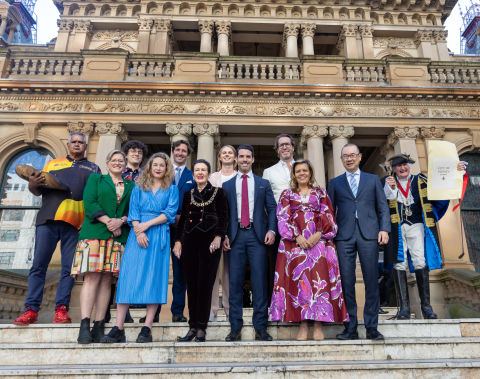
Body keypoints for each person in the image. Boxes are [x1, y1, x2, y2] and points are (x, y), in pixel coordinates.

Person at [14, 132, 101, 325]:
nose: (77, 145)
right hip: (48, 219)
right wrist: (32, 185)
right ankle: (31, 310)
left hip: (75, 224)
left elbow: (94, 197)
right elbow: (38, 189)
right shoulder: (53, 164)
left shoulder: (93, 168)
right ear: (69, 145)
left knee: (69, 269)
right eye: (74, 142)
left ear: (85, 146)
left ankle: (61, 310)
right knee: (38, 266)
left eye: (81, 142)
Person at [101, 153, 178, 343]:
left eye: (163, 165)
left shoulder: (172, 189)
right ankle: (118, 327)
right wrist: (138, 229)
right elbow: (133, 211)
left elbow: (169, 213)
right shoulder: (138, 188)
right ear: (149, 167)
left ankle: (147, 327)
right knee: (128, 276)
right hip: (138, 235)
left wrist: (146, 225)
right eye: (155, 165)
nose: (159, 168)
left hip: (158, 234)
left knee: (155, 278)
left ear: (167, 169)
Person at [269, 160, 349, 340]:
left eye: (305, 170)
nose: (301, 174)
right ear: (294, 174)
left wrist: (319, 234)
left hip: (319, 243)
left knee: (319, 282)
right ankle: (303, 324)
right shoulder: (286, 194)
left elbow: (328, 214)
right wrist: (297, 236)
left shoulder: (321, 193)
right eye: (298, 171)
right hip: (294, 244)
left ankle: (319, 324)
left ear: (310, 173)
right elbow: (282, 217)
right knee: (300, 283)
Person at [383, 153, 467, 320]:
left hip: (416, 225)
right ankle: (404, 309)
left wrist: (458, 172)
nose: (402, 168)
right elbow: (381, 203)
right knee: (399, 264)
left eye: (404, 164)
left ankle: (427, 308)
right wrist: (387, 187)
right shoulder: (387, 183)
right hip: (397, 228)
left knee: (420, 260)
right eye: (398, 165)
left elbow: (442, 186)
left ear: (409, 166)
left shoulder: (421, 180)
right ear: (393, 168)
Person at [327, 143, 390, 340]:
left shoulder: (372, 180)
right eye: (345, 156)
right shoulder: (335, 183)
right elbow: (329, 212)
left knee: (372, 280)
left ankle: (372, 327)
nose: (349, 159)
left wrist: (384, 229)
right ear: (341, 159)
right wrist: (330, 237)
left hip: (369, 234)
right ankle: (350, 327)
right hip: (343, 236)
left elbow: (382, 207)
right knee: (346, 281)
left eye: (353, 155)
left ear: (360, 157)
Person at [72, 150, 134, 344]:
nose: (117, 163)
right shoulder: (95, 180)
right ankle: (84, 324)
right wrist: (109, 221)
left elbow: (132, 210)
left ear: (125, 164)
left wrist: (120, 221)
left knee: (108, 280)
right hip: (95, 235)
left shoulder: (131, 185)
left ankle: (99, 325)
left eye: (121, 161)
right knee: (92, 277)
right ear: (107, 163)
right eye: (114, 160)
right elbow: (89, 203)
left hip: (117, 237)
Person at [222, 144, 277, 342]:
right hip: (235, 237)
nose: (244, 160)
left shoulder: (263, 183)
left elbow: (272, 209)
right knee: (235, 282)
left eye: (248, 157)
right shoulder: (227, 185)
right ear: (236, 159)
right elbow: (224, 214)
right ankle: (235, 327)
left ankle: (261, 327)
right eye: (241, 157)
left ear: (253, 160)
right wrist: (224, 234)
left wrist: (271, 230)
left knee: (260, 282)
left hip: (258, 236)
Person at [174, 159, 229, 342]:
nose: (199, 173)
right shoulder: (188, 195)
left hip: (210, 244)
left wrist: (219, 237)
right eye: (197, 170)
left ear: (208, 173)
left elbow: (223, 217)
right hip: (190, 242)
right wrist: (178, 242)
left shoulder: (218, 193)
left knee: (205, 284)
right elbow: (182, 222)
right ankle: (192, 327)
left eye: (203, 170)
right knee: (192, 284)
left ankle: (201, 327)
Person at [263, 134, 296, 304]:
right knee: (278, 264)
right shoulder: (268, 172)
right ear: (277, 150)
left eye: (287, 144)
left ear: (293, 147)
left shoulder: (303, 167)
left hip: (302, 224)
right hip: (279, 223)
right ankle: (277, 303)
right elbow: (267, 202)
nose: (284, 147)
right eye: (281, 145)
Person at [208, 145, 237, 321]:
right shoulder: (212, 178)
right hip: (213, 230)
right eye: (224, 153)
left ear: (234, 158)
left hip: (234, 230)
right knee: (212, 270)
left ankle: (229, 309)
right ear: (219, 157)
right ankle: (212, 309)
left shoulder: (239, 177)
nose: (227, 155)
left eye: (230, 153)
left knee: (229, 272)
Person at [119, 140, 147, 324]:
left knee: (133, 270)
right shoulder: (118, 173)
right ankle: (114, 311)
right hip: (116, 227)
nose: (136, 154)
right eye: (132, 151)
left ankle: (132, 306)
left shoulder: (146, 176)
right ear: (126, 154)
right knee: (117, 271)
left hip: (138, 227)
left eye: (139, 152)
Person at [170, 140, 195, 323]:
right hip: (160, 227)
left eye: (183, 151)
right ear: (173, 152)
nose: (180, 153)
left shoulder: (192, 175)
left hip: (183, 231)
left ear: (188, 154)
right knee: (157, 270)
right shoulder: (162, 170)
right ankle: (152, 313)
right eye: (177, 150)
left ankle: (177, 311)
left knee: (180, 272)